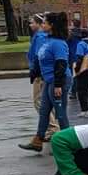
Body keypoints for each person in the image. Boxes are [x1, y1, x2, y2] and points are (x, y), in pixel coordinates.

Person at [20, 12, 71, 153]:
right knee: (44, 111)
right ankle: (38, 140)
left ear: (52, 25)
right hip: (49, 80)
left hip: (58, 80)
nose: (43, 24)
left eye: (45, 22)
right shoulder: (47, 40)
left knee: (60, 113)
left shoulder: (58, 43)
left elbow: (61, 64)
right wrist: (34, 72)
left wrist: (59, 85)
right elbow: (39, 58)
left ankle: (69, 143)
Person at [27, 15, 59, 139]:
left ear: (39, 24)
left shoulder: (40, 37)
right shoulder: (42, 36)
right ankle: (53, 127)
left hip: (40, 74)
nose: (30, 25)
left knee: (39, 101)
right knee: (47, 102)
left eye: (32, 23)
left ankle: (52, 128)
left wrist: (36, 72)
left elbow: (39, 55)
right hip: (43, 73)